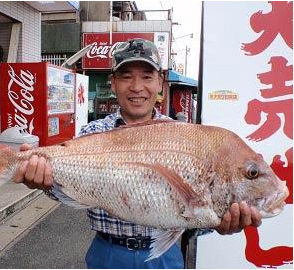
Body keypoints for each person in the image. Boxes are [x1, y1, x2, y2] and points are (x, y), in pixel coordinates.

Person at [13, 38, 262, 269]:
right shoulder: (93, 132)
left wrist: (220, 223)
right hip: (107, 253)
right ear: (113, 83)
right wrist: (43, 183)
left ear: (160, 83)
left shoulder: (183, 135)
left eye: (146, 76)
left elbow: (195, 212)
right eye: (126, 77)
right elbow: (73, 190)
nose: (136, 87)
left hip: (165, 257)